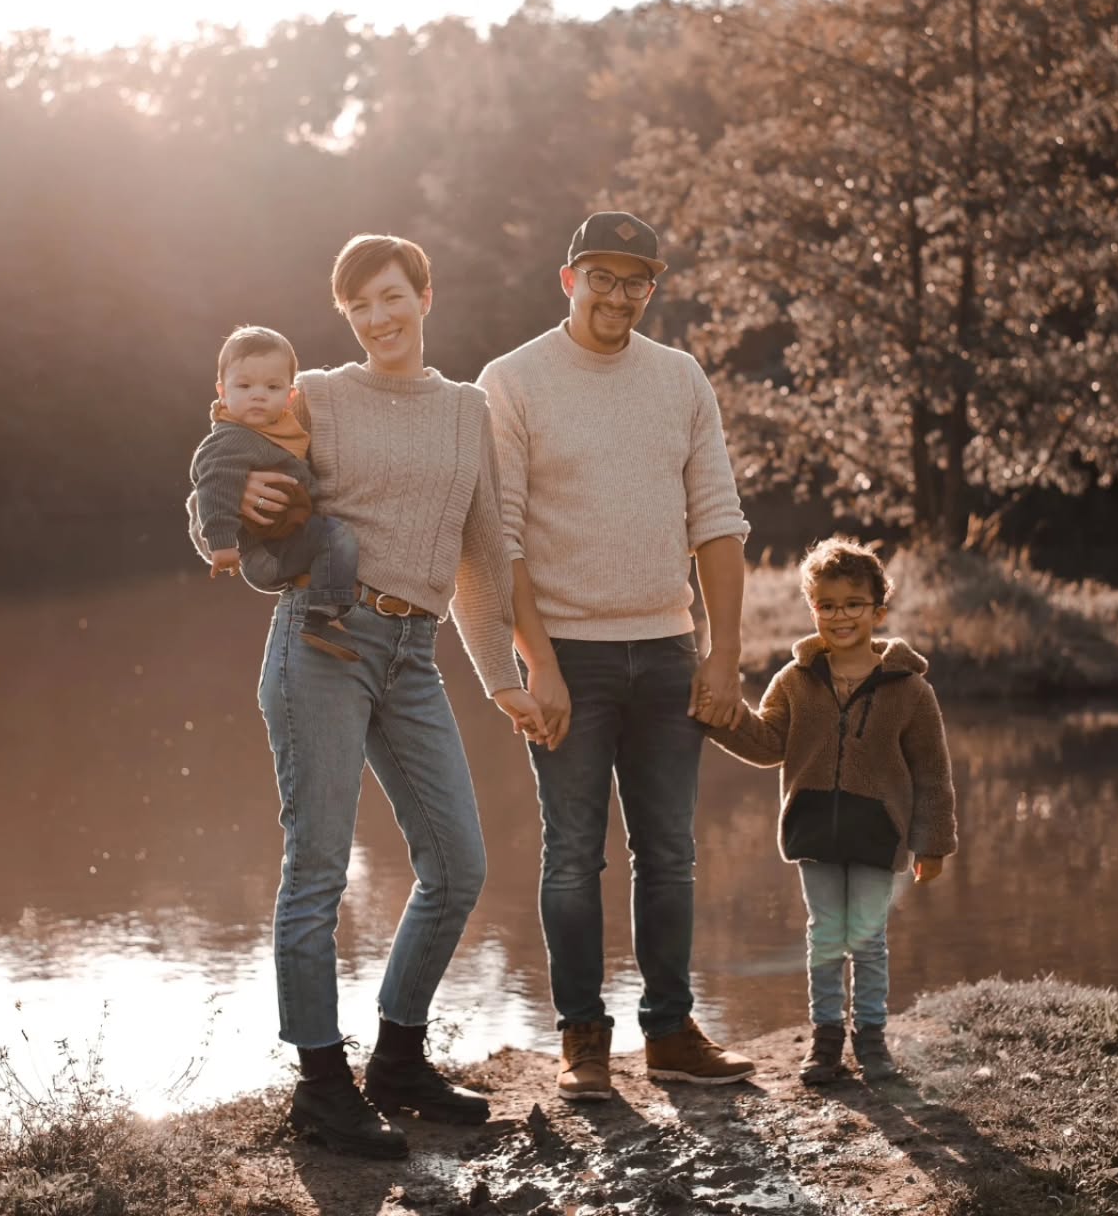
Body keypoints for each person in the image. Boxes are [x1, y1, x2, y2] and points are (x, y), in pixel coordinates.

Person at [199, 234, 546, 1160]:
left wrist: (506, 679)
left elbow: (482, 558)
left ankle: (397, 1060)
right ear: (345, 318)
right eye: (359, 307)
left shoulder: (468, 411)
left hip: (412, 656)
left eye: (392, 296)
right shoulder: (321, 395)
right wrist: (241, 522)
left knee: (458, 864)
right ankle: (321, 1084)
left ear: (425, 294)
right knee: (317, 869)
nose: (379, 318)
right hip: (322, 641)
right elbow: (230, 447)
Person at [477, 210, 756, 1102]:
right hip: (570, 658)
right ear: (569, 280)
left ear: (652, 290)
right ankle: (581, 1042)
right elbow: (501, 540)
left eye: (637, 281)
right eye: (602, 277)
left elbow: (717, 519)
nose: (619, 296)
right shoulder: (512, 381)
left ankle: (670, 1032)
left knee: (670, 854)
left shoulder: (679, 379)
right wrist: (540, 663)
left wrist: (721, 655)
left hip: (670, 649)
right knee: (570, 858)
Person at [707, 535, 957, 1084]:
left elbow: (932, 774)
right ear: (812, 607)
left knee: (867, 939)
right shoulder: (794, 681)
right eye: (827, 604)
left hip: (878, 830)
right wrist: (720, 718)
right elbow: (768, 743)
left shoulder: (911, 689)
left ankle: (871, 1039)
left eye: (853, 604)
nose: (839, 616)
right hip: (813, 827)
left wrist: (932, 842)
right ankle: (825, 1040)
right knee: (824, 934)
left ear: (878, 609)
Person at [190, 325, 360, 662]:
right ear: (222, 392)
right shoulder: (232, 439)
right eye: (244, 385)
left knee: (330, 536)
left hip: (280, 546)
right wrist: (222, 544)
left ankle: (321, 601)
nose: (258, 394)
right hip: (264, 554)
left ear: (289, 396)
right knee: (337, 536)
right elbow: (213, 487)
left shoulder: (279, 433)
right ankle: (323, 614)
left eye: (272, 387)